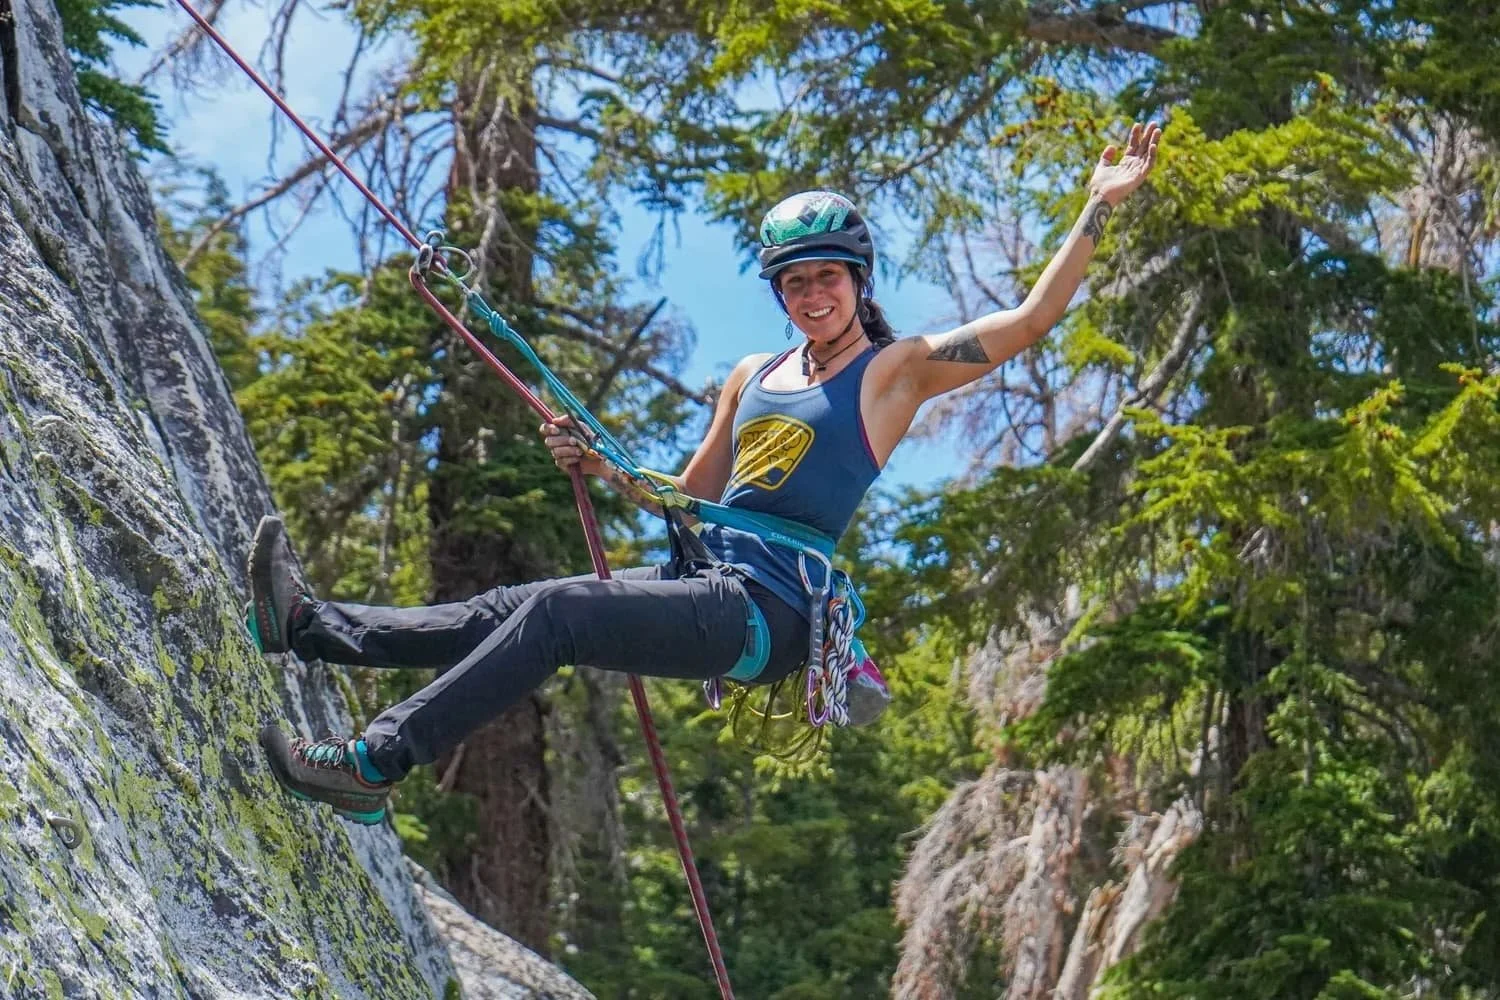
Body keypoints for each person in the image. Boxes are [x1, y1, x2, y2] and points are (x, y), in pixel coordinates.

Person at [252, 122, 1163, 824]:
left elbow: (1033, 318)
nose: (813, 296)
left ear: (858, 279)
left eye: (828, 279)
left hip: (773, 610)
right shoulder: (751, 378)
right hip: (708, 574)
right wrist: (594, 461)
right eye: (795, 283)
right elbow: (684, 495)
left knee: (561, 617)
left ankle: (371, 766)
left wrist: (1100, 202)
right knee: (512, 609)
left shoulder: (894, 374)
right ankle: (309, 626)